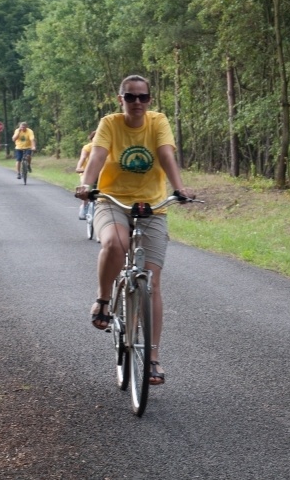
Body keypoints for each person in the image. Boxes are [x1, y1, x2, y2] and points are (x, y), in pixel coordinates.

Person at [75, 75, 194, 385]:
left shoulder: (158, 122)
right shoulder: (110, 123)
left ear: (150, 99)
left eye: (143, 97)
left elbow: (166, 154)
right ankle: (103, 299)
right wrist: (87, 184)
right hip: (112, 200)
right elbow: (98, 155)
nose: (137, 102)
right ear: (121, 100)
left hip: (153, 205)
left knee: (151, 282)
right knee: (115, 244)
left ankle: (152, 358)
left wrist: (179, 188)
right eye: (130, 97)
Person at [75, 131, 97, 220]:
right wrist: (79, 167)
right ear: (91, 139)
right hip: (86, 172)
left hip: (100, 172)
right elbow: (83, 158)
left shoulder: (105, 147)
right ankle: (84, 207)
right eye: (95, 137)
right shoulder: (88, 147)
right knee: (86, 189)